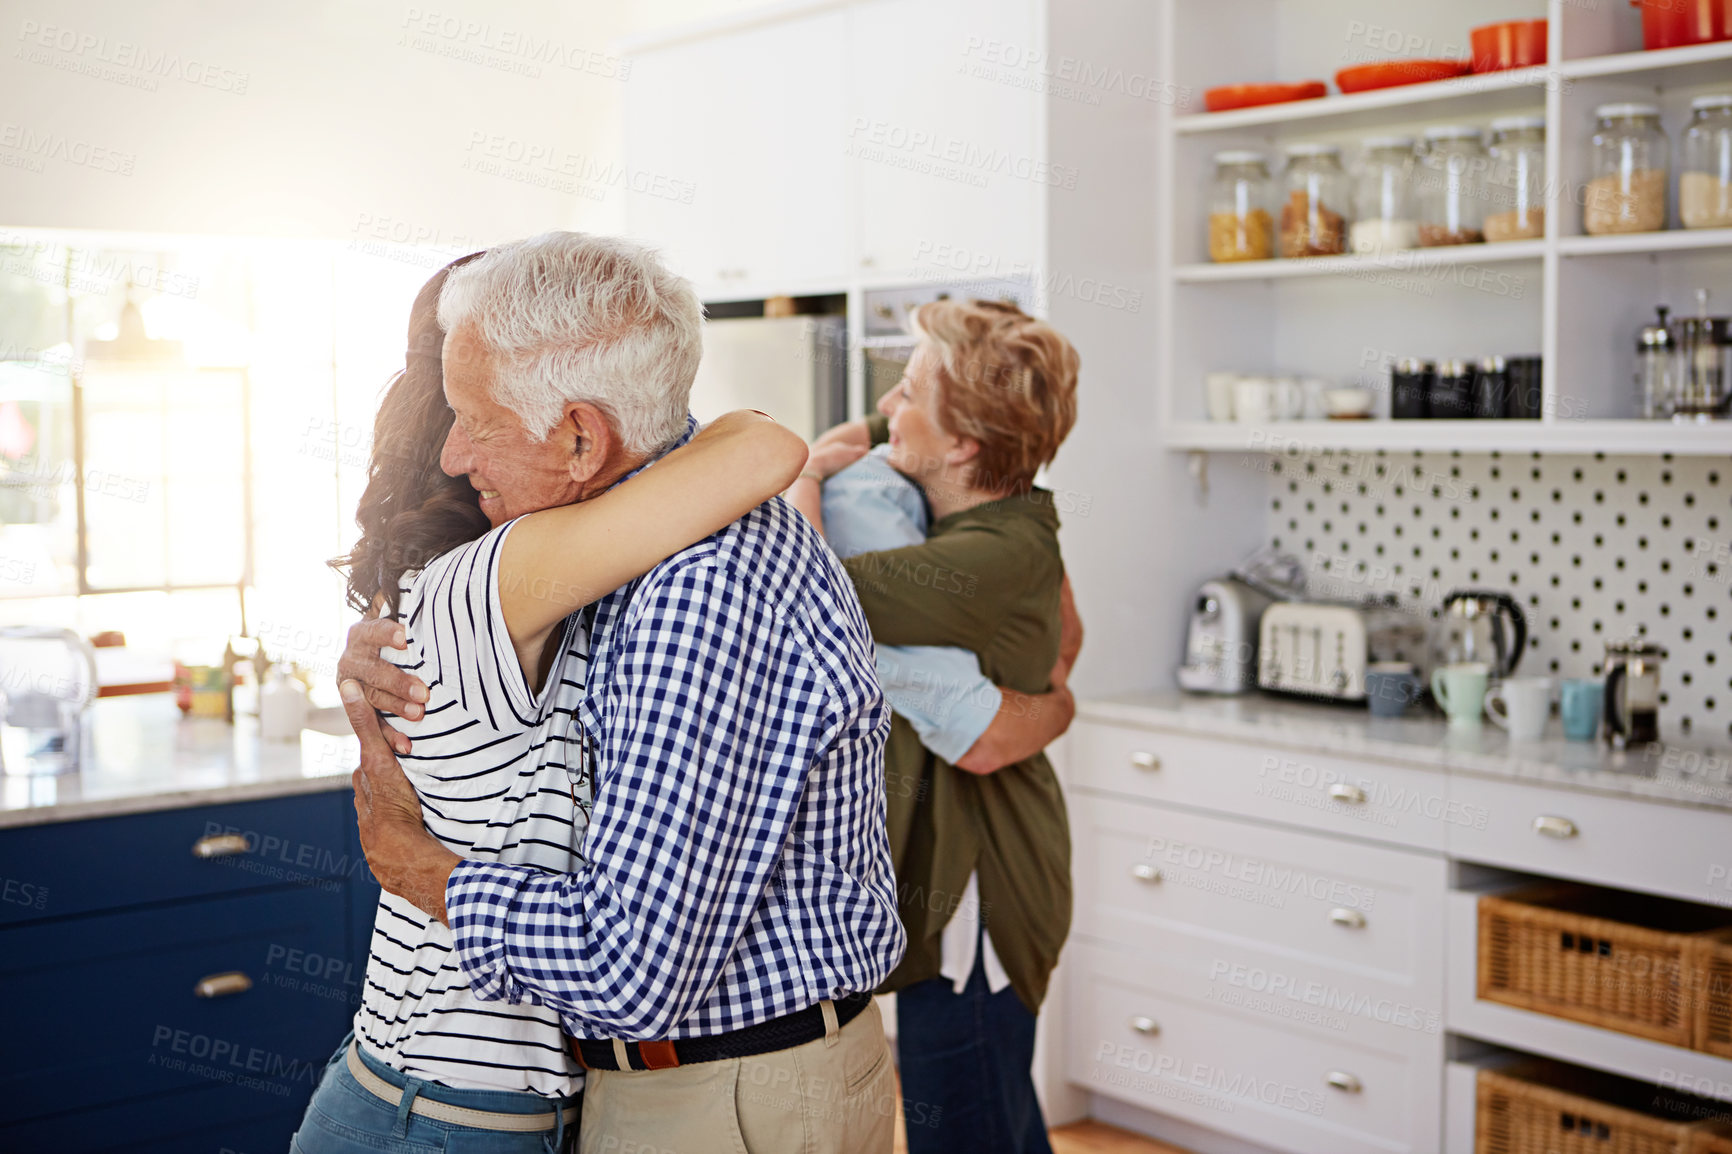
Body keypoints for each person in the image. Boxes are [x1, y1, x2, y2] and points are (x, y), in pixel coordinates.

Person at [335, 232, 907, 1154]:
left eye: (475, 421)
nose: (452, 456)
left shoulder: (691, 590)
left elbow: (632, 965)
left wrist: (428, 876)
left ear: (580, 436)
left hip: (721, 1097)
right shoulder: (630, 549)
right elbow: (753, 442)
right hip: (718, 1084)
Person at [787, 297, 1082, 1154]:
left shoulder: (987, 553)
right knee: (994, 1115)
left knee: (968, 1123)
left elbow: (821, 595)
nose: (887, 409)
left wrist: (803, 474)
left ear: (962, 445)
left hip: (977, 891)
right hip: (963, 879)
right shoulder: (999, 519)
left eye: (909, 393)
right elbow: (1070, 635)